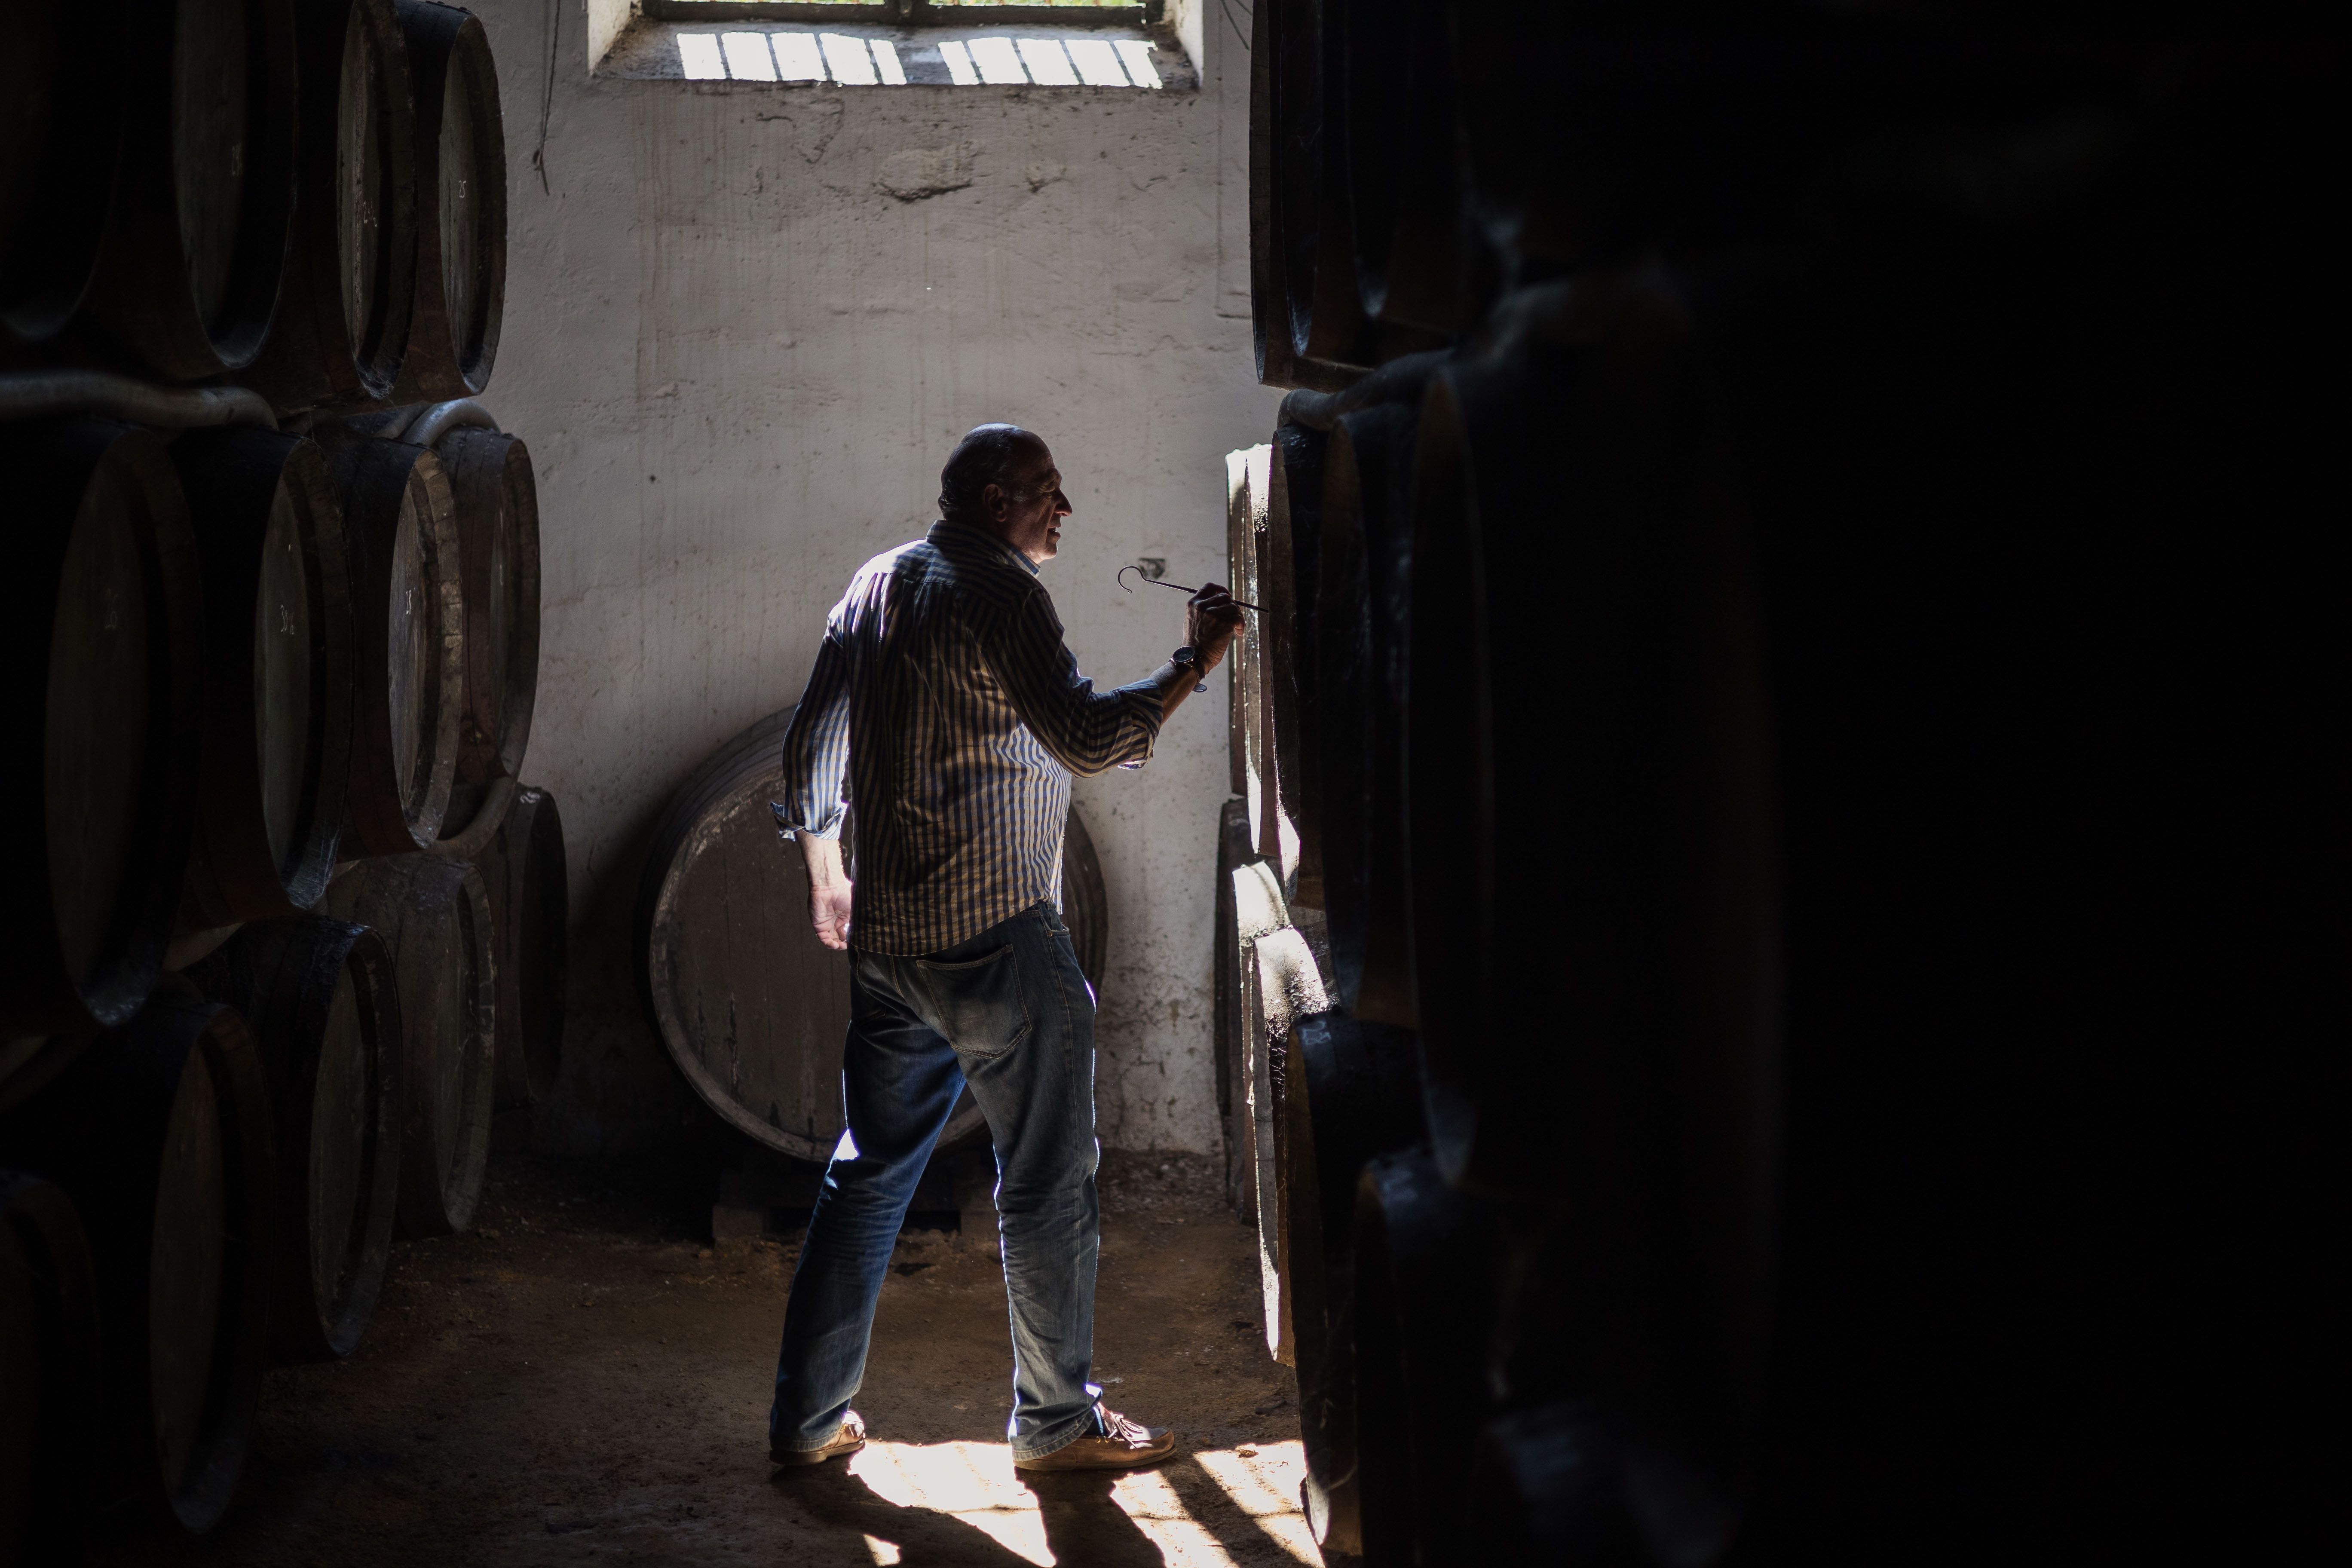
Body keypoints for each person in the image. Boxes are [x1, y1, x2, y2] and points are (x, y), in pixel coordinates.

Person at [765, 423, 1245, 1473]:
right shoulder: (1003, 594)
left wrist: (827, 872)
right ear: (995, 500)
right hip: (1000, 942)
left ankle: (806, 1422)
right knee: (1047, 1178)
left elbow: (810, 749)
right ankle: (1055, 1424)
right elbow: (1085, 738)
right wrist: (1193, 664)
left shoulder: (880, 579)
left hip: (891, 945)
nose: (1063, 512)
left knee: (870, 1172)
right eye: (1047, 492)